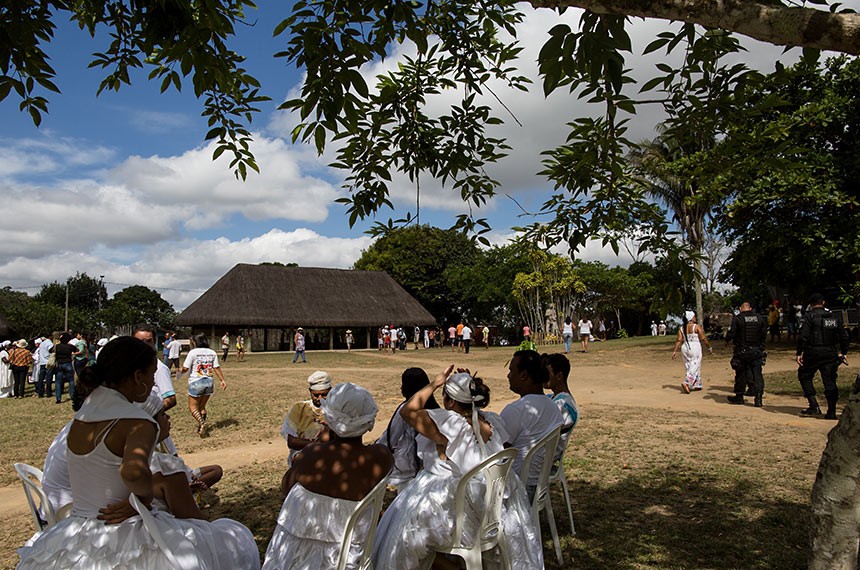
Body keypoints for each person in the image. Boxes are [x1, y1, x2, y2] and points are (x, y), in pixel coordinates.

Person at [16, 336, 260, 570]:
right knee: (232, 539)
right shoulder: (137, 422)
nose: (154, 382)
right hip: (124, 528)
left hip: (78, 529)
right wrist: (141, 500)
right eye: (152, 375)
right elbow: (133, 472)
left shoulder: (83, 416)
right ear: (137, 376)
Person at [372, 367, 543, 569]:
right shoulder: (490, 421)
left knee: (402, 524)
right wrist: (466, 384)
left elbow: (407, 411)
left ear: (451, 401)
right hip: (491, 507)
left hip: (465, 513)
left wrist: (435, 383)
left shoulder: (450, 424)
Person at [263, 383, 392, 570]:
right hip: (350, 555)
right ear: (368, 420)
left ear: (330, 419)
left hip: (296, 558)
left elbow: (286, 486)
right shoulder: (381, 457)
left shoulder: (312, 456)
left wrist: (322, 438)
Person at [502, 349, 564, 488]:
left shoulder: (516, 410)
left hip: (515, 489)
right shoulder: (553, 407)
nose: (508, 376)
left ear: (523, 375)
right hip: (539, 484)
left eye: (511, 371)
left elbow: (497, 450)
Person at [377, 368, 440, 490]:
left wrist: (374, 450)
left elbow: (390, 438)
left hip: (408, 472)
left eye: (404, 384)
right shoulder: (435, 409)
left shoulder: (405, 411)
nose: (401, 388)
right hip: (430, 469)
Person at [796, 293, 850, 419]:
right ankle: (831, 411)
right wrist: (843, 352)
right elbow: (844, 337)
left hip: (813, 353)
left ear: (811, 305)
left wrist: (799, 353)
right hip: (830, 353)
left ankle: (813, 405)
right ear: (823, 302)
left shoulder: (809, 317)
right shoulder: (833, 317)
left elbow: (803, 336)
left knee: (804, 376)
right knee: (830, 381)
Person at [280, 370, 332, 465]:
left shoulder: (337, 409)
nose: (320, 399)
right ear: (310, 391)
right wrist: (319, 445)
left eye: (324, 394)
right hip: (302, 456)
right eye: (316, 395)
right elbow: (292, 442)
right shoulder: (299, 408)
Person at [181, 333, 227, 437]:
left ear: (195, 342)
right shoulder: (212, 352)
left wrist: (179, 370)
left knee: (193, 408)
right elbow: (216, 367)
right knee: (202, 407)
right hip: (209, 382)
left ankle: (202, 423)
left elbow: (185, 368)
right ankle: (201, 427)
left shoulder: (193, 352)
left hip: (196, 381)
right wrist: (222, 380)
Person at [725, 300, 768, 407]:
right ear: (750, 309)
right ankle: (758, 399)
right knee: (757, 374)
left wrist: (727, 340)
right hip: (756, 351)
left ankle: (739, 397)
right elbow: (763, 334)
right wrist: (761, 347)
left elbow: (731, 333)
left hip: (742, 351)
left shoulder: (738, 319)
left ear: (740, 309)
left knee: (741, 374)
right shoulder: (759, 318)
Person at [542, 353, 579, 462]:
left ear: (559, 376)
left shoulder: (563, 404)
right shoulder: (553, 397)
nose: (543, 377)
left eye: (546, 373)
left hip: (545, 458)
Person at [672, 310, 713, 393]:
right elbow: (703, 338)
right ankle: (687, 382)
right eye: (694, 316)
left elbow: (679, 340)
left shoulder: (681, 328)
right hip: (694, 347)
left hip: (685, 347)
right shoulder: (696, 327)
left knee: (690, 365)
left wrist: (674, 351)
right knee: (695, 364)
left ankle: (697, 384)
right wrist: (709, 347)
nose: (695, 318)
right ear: (691, 318)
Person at [51, 333, 78, 404]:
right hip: (68, 363)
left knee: (58, 381)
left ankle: (58, 398)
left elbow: (51, 350)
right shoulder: (70, 346)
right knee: (71, 380)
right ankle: (72, 395)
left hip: (59, 364)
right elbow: (76, 350)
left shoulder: (57, 346)